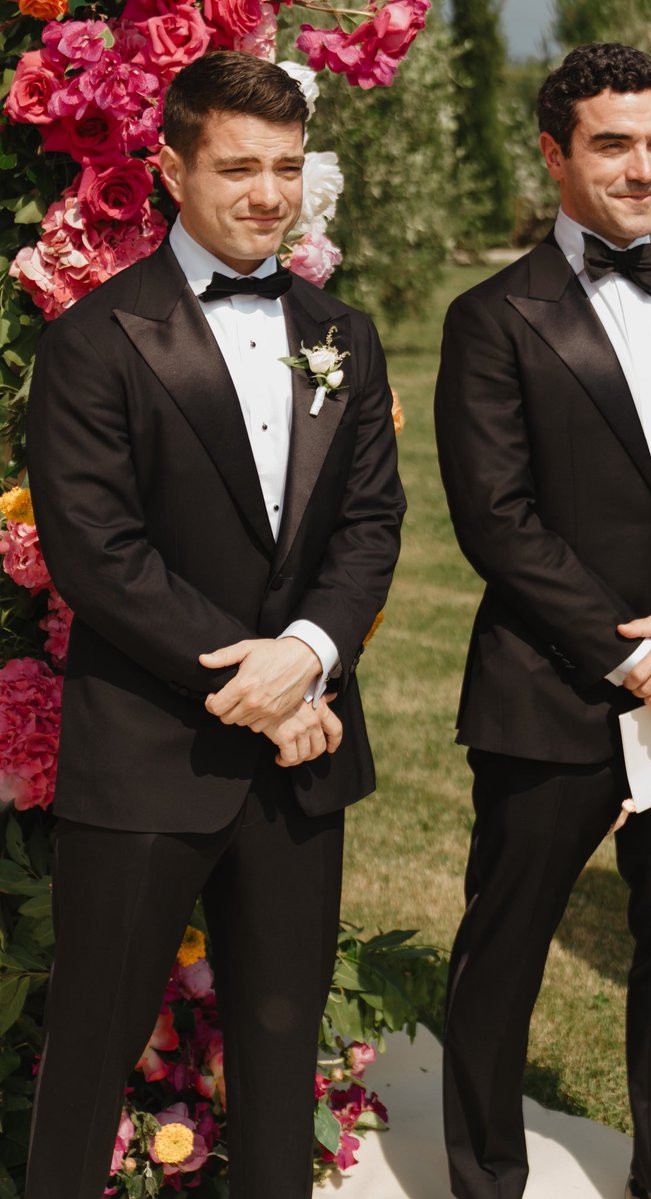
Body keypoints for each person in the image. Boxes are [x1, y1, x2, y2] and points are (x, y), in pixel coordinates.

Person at [24, 51, 405, 1199]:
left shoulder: (343, 334)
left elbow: (370, 524)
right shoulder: (95, 339)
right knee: (90, 1050)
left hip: (301, 767)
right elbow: (100, 553)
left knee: (281, 1060)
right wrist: (265, 690)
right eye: (238, 167)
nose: (267, 193)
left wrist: (311, 655)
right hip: (149, 756)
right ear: (169, 169)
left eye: (285, 167)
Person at [434, 42, 651, 1199]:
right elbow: (496, 519)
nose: (643, 169)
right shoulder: (491, 316)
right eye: (612, 145)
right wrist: (637, 654)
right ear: (554, 154)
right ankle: (485, 1174)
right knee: (502, 951)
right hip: (547, 690)